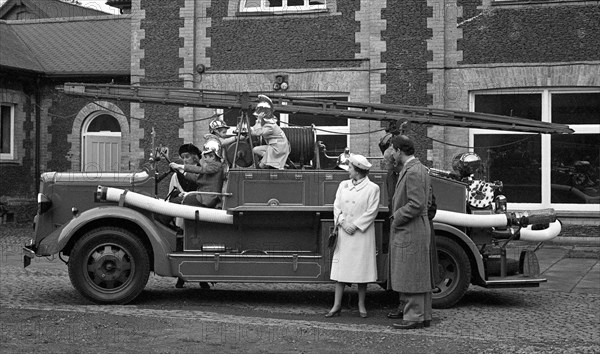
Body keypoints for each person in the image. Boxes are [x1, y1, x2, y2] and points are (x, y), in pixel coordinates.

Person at [325, 154, 380, 319]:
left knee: (361, 271)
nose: (348, 170)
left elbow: (372, 211)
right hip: (344, 232)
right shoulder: (343, 185)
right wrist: (342, 222)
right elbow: (336, 206)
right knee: (341, 271)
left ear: (358, 171)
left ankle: (361, 305)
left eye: (350, 168)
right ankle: (336, 305)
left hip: (361, 234)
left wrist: (355, 225)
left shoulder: (372, 188)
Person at [389, 135, 432, 330]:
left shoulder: (412, 171)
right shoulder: (420, 168)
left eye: (393, 150)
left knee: (411, 272)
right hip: (418, 226)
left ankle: (414, 316)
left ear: (399, 151)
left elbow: (416, 203)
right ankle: (423, 315)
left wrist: (397, 217)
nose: (391, 154)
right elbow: (427, 201)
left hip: (410, 227)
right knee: (418, 271)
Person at [170, 139, 225, 209]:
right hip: (204, 196)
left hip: (208, 199)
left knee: (176, 202)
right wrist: (182, 172)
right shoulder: (213, 167)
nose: (204, 159)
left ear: (213, 156)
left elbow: (201, 170)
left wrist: (180, 166)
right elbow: (197, 178)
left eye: (206, 157)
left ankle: (160, 219)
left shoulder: (216, 166)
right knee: (176, 200)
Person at [250, 94, 290, 169]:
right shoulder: (267, 124)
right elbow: (255, 131)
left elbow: (257, 133)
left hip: (278, 149)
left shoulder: (270, 126)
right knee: (255, 150)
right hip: (274, 147)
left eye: (257, 117)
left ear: (263, 117)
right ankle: (269, 160)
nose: (256, 118)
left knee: (261, 166)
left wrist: (258, 121)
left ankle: (271, 162)